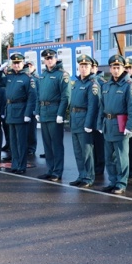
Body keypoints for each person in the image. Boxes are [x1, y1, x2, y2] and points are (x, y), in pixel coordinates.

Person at [96, 55, 132, 195]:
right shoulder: (106, 85)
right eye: (113, 68)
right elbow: (101, 106)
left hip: (121, 125)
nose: (115, 70)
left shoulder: (129, 86)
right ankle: (113, 181)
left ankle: (121, 183)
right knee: (109, 157)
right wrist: (99, 124)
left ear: (123, 68)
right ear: (110, 68)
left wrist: (129, 126)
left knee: (121, 157)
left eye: (118, 67)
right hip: (108, 125)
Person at [36, 48, 70, 182]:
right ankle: (50, 169)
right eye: (46, 58)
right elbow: (38, 95)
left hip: (54, 112)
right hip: (44, 113)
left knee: (56, 144)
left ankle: (57, 171)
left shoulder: (62, 75)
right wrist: (37, 111)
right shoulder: (43, 75)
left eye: (51, 58)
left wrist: (61, 113)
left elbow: (65, 96)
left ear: (55, 59)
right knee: (47, 145)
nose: (49, 60)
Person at [0, 53, 37, 174]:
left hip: (21, 111)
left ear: (23, 63)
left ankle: (21, 166)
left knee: (21, 142)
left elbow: (32, 97)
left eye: (18, 63)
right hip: (11, 111)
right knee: (13, 143)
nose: (16, 65)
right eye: (14, 63)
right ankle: (15, 165)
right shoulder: (10, 77)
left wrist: (28, 113)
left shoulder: (28, 78)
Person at [68, 54, 100, 188]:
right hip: (75, 120)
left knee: (87, 152)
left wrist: (89, 124)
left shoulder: (92, 84)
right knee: (78, 152)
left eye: (86, 66)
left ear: (91, 68)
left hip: (84, 121)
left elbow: (94, 106)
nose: (83, 69)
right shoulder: (77, 83)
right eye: (81, 66)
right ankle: (81, 175)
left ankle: (88, 177)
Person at [90, 58, 106, 181]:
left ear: (96, 68)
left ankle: (99, 167)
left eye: (93, 67)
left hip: (98, 118)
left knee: (99, 144)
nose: (91, 69)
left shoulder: (101, 82)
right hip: (90, 118)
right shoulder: (87, 81)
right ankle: (94, 165)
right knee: (92, 145)